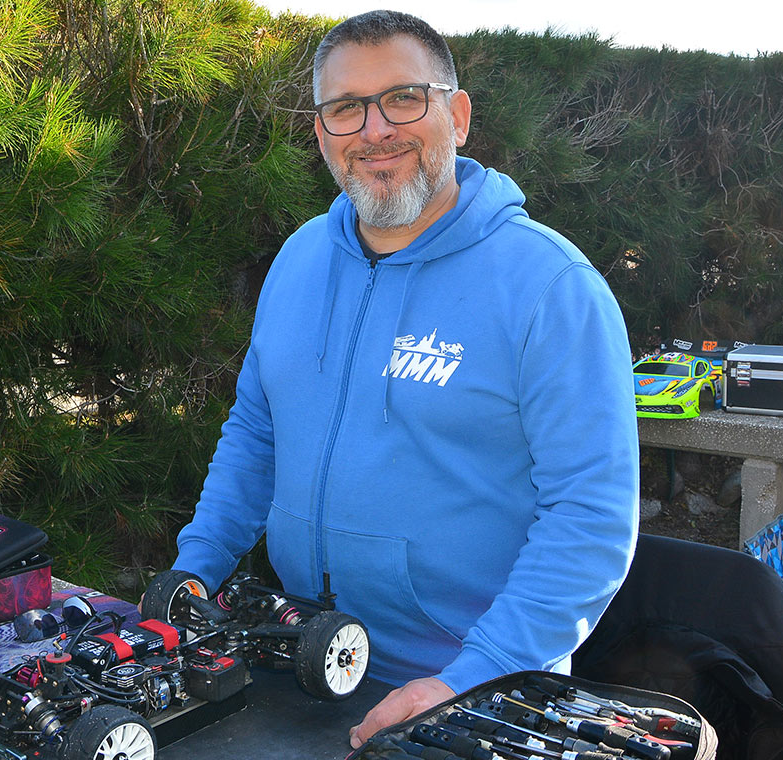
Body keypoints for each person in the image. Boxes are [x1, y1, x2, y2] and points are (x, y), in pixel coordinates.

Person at [168, 9, 640, 749]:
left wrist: (473, 677)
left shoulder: (551, 287)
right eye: (345, 108)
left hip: (476, 691)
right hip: (300, 659)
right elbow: (256, 437)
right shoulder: (297, 261)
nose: (375, 129)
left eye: (402, 99)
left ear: (458, 116)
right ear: (322, 133)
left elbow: (591, 516)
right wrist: (193, 570)